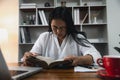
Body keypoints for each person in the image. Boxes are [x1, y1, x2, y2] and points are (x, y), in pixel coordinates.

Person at [22, 6, 101, 67]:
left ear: (68, 25)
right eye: (55, 27)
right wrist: (28, 57)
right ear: (50, 25)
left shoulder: (78, 37)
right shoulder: (44, 37)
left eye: (62, 27)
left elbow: (96, 56)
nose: (58, 31)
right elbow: (32, 55)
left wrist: (79, 59)